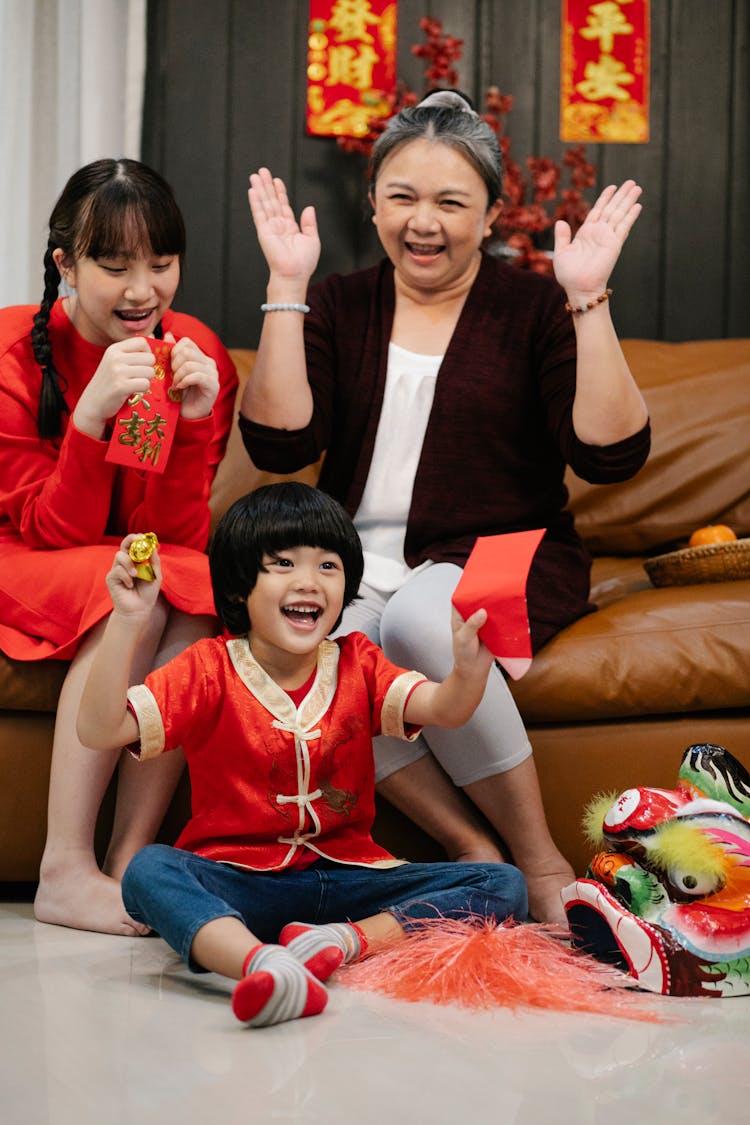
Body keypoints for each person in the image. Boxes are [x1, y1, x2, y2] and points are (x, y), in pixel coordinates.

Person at [238, 90, 651, 924]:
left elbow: (611, 455)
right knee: (317, 649)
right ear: (375, 203)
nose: (423, 222)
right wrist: (288, 284)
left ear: (492, 212)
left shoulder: (532, 308)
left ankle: (537, 861)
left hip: (502, 551)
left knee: (430, 619)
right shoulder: (343, 303)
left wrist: (587, 299)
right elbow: (281, 444)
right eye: (403, 197)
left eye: (451, 202)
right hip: (352, 558)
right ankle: (472, 850)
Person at [76, 482, 527, 1028]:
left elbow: (446, 708)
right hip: (239, 880)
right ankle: (262, 966)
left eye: (328, 566)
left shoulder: (358, 660)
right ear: (241, 586)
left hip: (350, 881)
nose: (308, 582)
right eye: (283, 564)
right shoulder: (207, 667)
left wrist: (469, 668)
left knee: (502, 883)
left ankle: (336, 945)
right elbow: (100, 728)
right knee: (146, 872)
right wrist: (127, 620)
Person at [0, 158, 238, 935]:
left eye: (161, 263)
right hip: (23, 551)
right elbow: (46, 527)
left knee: (198, 593)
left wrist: (196, 415)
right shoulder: (10, 353)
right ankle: (64, 867)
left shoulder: (190, 349)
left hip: (123, 551)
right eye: (115, 264)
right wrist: (89, 421)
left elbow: (176, 540)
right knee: (120, 588)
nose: (144, 290)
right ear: (65, 264)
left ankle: (135, 863)